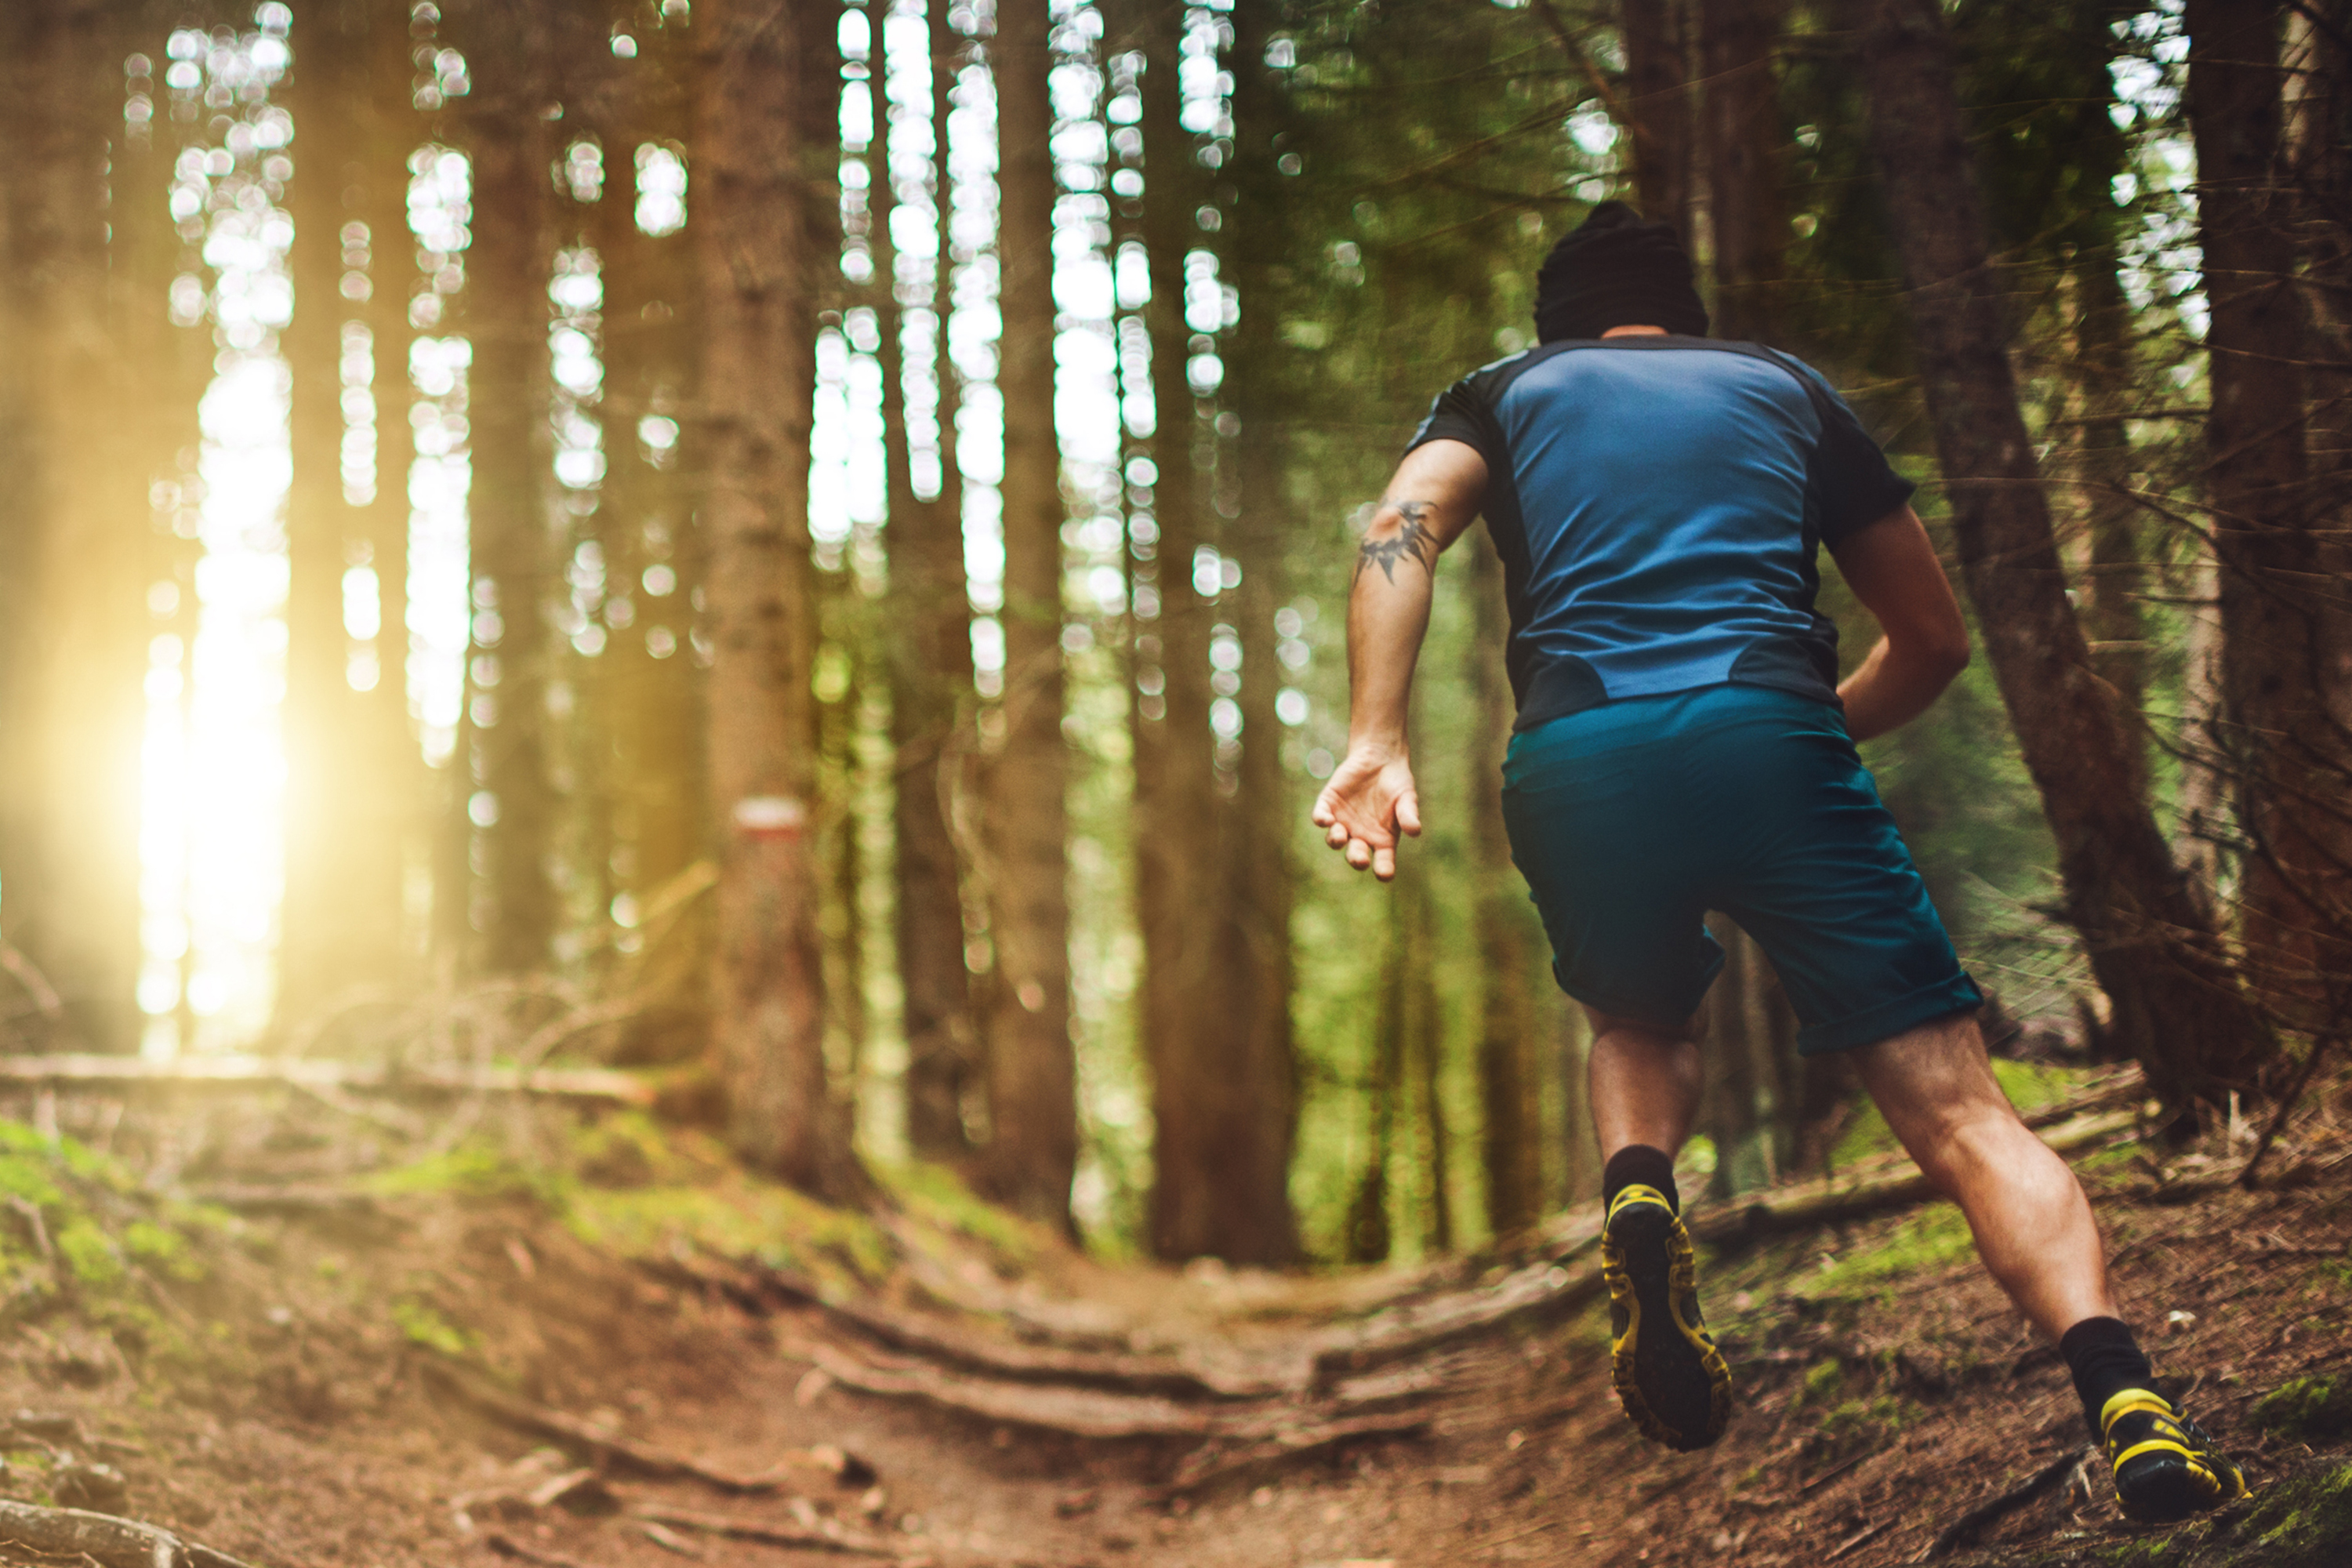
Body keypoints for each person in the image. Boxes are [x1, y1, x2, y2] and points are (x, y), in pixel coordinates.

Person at [1309, 202, 2247, 1524]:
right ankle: (2128, 1399)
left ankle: (1640, 1196)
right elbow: (1930, 640)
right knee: (1961, 1111)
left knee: (1635, 1016)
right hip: (1776, 728)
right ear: (1679, 313)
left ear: (1557, 321)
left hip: (1582, 751)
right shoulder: (1786, 390)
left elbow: (1399, 527)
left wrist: (1375, 734)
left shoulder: (1505, 393)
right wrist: (1790, 730)